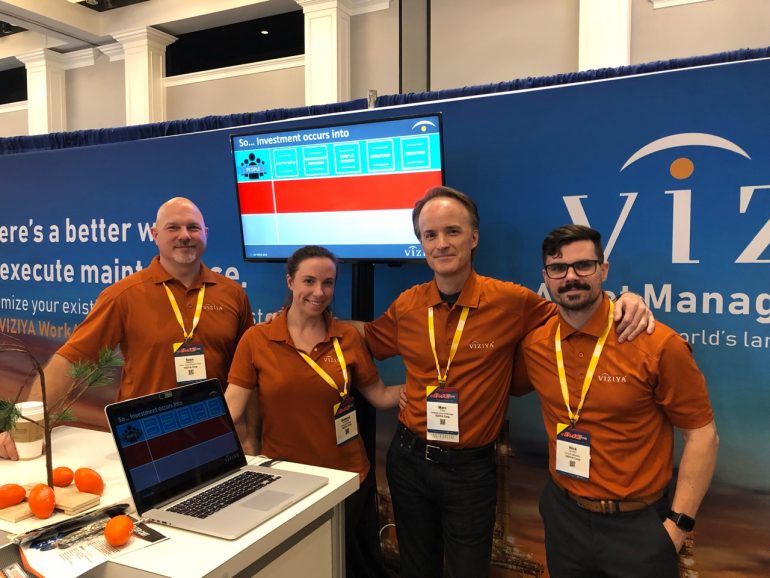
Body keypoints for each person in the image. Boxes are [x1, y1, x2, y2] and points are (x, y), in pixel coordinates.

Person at [358, 186, 653, 578]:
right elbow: (366, 338)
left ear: (473, 237)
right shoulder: (408, 304)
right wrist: (306, 319)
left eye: (452, 231)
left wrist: (623, 301)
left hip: (469, 472)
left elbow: (577, 310)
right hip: (408, 460)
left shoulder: (512, 302)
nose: (441, 243)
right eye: (430, 235)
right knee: (415, 567)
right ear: (421, 243)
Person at [511, 224, 718, 578]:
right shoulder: (536, 345)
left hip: (637, 527)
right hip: (564, 517)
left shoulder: (657, 345)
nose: (571, 277)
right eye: (558, 268)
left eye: (583, 265)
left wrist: (677, 526)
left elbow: (702, 435)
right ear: (546, 277)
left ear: (604, 270)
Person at [0, 197, 254, 460]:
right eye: (173, 228)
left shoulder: (233, 295)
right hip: (147, 442)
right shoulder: (123, 296)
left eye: (193, 227)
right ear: (154, 235)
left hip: (216, 437)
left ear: (205, 233)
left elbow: (249, 372)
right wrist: (27, 426)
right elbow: (70, 361)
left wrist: (251, 437)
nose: (184, 236)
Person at [225, 245, 401, 578]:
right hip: (285, 481)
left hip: (348, 479)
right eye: (309, 281)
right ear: (290, 281)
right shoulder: (257, 339)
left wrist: (427, 389)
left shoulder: (347, 337)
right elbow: (231, 408)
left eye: (328, 283)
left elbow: (379, 396)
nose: (319, 292)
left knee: (355, 568)